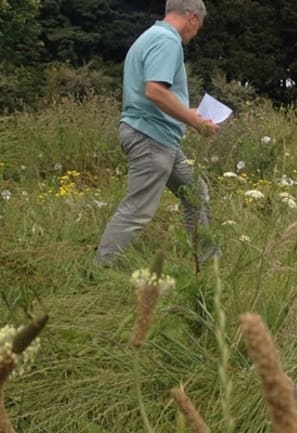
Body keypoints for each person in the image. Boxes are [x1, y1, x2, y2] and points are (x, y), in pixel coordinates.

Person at [95, 0, 219, 266]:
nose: (196, 33)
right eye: (199, 26)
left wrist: (190, 113)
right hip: (150, 137)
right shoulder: (167, 41)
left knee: (195, 192)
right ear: (193, 18)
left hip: (161, 137)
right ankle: (101, 269)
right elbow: (155, 91)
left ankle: (207, 261)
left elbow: (156, 94)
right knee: (138, 210)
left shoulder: (151, 36)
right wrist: (197, 124)